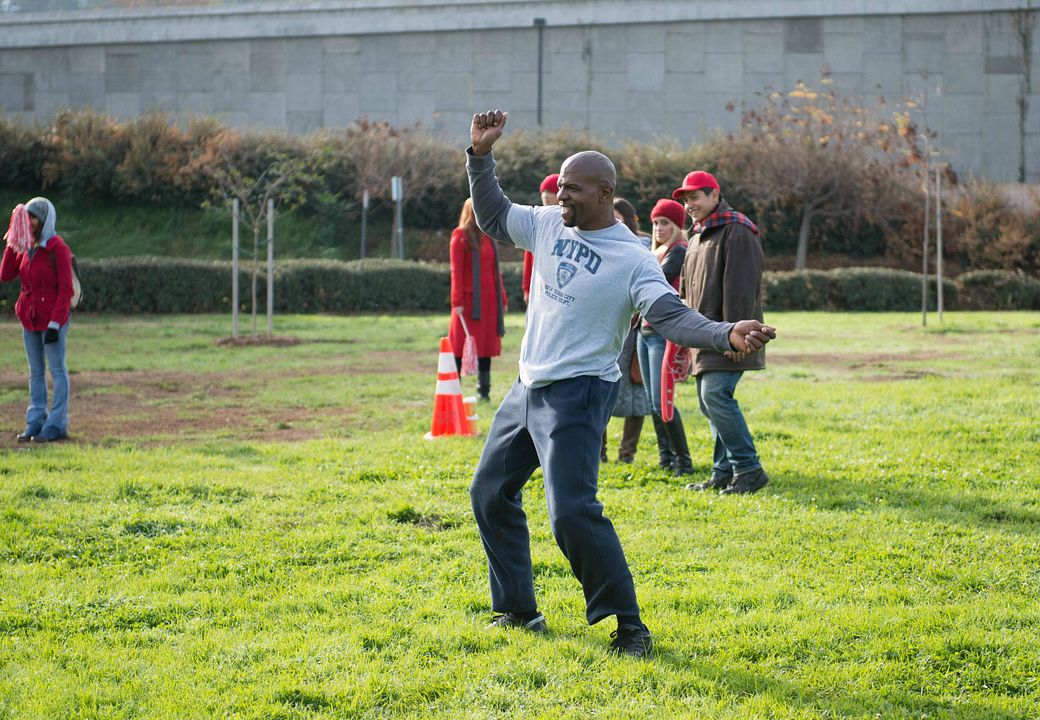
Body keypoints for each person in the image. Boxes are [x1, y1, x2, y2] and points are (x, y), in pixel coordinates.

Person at [465, 109, 775, 658]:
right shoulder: (546, 223)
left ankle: (630, 627)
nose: (561, 199)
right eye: (559, 188)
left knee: (572, 513)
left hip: (579, 394)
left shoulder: (633, 259)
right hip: (527, 386)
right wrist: (481, 157)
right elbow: (491, 216)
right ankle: (517, 610)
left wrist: (726, 333)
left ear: (606, 193)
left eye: (573, 191)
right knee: (489, 493)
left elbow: (673, 316)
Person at [673, 170, 770, 494]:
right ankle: (723, 472)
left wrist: (734, 336)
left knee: (715, 395)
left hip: (730, 335)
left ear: (715, 195)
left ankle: (748, 468)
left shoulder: (737, 230)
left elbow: (741, 288)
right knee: (708, 400)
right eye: (685, 200)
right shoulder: (699, 234)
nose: (689, 205)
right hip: (704, 335)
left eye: (695, 197)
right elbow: (687, 289)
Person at [1, 197, 74, 443]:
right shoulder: (25, 247)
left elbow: (66, 290)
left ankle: (56, 425)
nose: (29, 222)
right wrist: (14, 241)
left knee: (57, 370)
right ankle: (35, 423)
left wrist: (55, 324)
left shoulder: (58, 248)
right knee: (35, 372)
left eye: (33, 218)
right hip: (29, 318)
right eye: (26, 218)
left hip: (53, 319)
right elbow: (5, 274)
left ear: (45, 220)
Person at [636, 199, 695, 476]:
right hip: (644, 332)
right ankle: (665, 458)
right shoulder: (654, 251)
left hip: (662, 334)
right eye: (656, 222)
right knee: (651, 402)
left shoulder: (678, 250)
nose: (659, 228)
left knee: (663, 402)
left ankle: (683, 461)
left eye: (665, 223)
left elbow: (655, 280)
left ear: (677, 225)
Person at [600, 197, 652, 464]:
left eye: (620, 219)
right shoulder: (597, 242)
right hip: (607, 327)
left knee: (636, 389)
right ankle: (600, 452)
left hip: (635, 331)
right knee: (601, 388)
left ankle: (627, 453)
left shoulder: (642, 246)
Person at [449, 198, 508, 402]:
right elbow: (456, 272)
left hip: (489, 303)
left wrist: (502, 297)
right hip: (468, 304)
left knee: (485, 348)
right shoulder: (460, 236)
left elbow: (495, 272)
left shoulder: (489, 236)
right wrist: (457, 302)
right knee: (460, 346)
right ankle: (453, 388)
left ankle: (484, 392)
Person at [521, 173, 559, 306]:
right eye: (543, 191)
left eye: (550, 191)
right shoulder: (536, 220)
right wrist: (526, 287)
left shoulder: (570, 221)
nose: (545, 195)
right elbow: (528, 257)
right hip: (537, 286)